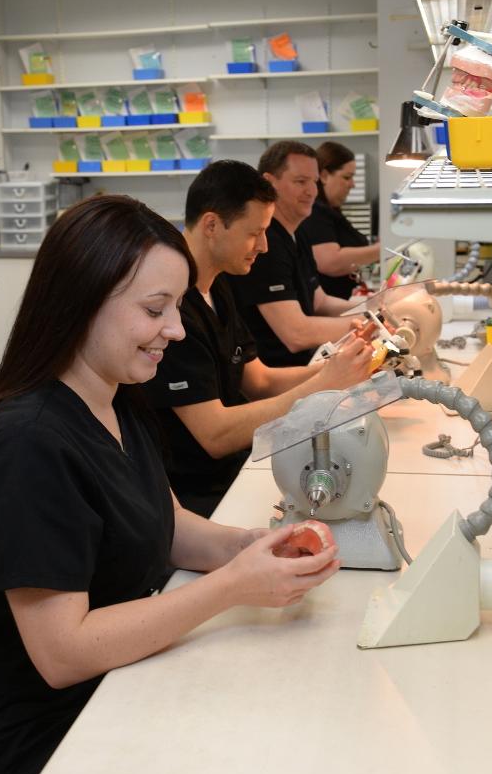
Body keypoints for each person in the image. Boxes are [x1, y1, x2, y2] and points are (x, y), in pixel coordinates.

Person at [0, 194, 341, 774]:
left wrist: (254, 547)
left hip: (110, 686)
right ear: (81, 302)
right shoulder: (28, 444)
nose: (175, 330)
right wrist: (233, 587)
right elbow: (63, 652)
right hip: (33, 743)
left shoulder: (118, 396)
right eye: (155, 309)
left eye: (177, 307)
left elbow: (166, 523)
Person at [142, 161, 372, 517]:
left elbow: (259, 381)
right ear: (212, 225)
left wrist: (341, 369)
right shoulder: (174, 309)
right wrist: (324, 384)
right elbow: (215, 435)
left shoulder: (217, 287)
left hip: (233, 472)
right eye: (255, 233)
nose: (263, 246)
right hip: (196, 498)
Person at [229, 141, 366, 368]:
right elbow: (296, 334)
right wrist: (371, 322)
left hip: (305, 363)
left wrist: (374, 309)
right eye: (301, 182)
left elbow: (320, 302)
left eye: (314, 181)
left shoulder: (297, 233)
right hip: (278, 373)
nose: (312, 191)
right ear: (269, 183)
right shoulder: (266, 244)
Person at [297, 141, 380, 299]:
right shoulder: (315, 212)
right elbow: (330, 262)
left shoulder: (331, 211)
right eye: (347, 177)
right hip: (330, 305)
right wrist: (381, 250)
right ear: (324, 176)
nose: (352, 184)